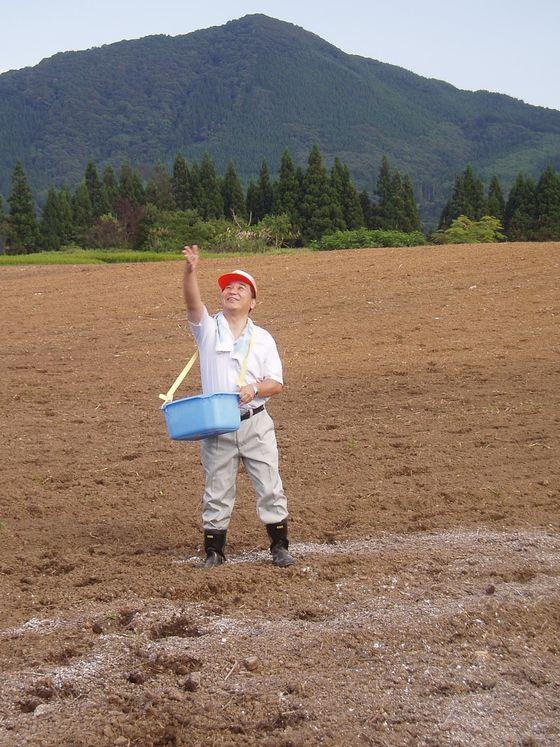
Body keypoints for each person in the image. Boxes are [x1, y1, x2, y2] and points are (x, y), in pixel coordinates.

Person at [181, 244, 294, 569]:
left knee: (269, 484)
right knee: (217, 488)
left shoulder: (264, 339)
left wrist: (254, 388)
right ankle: (214, 552)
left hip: (256, 422)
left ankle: (279, 546)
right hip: (217, 422)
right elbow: (191, 301)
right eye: (227, 288)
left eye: (240, 288)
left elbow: (277, 382)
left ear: (252, 302)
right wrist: (190, 270)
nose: (231, 291)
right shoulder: (207, 329)